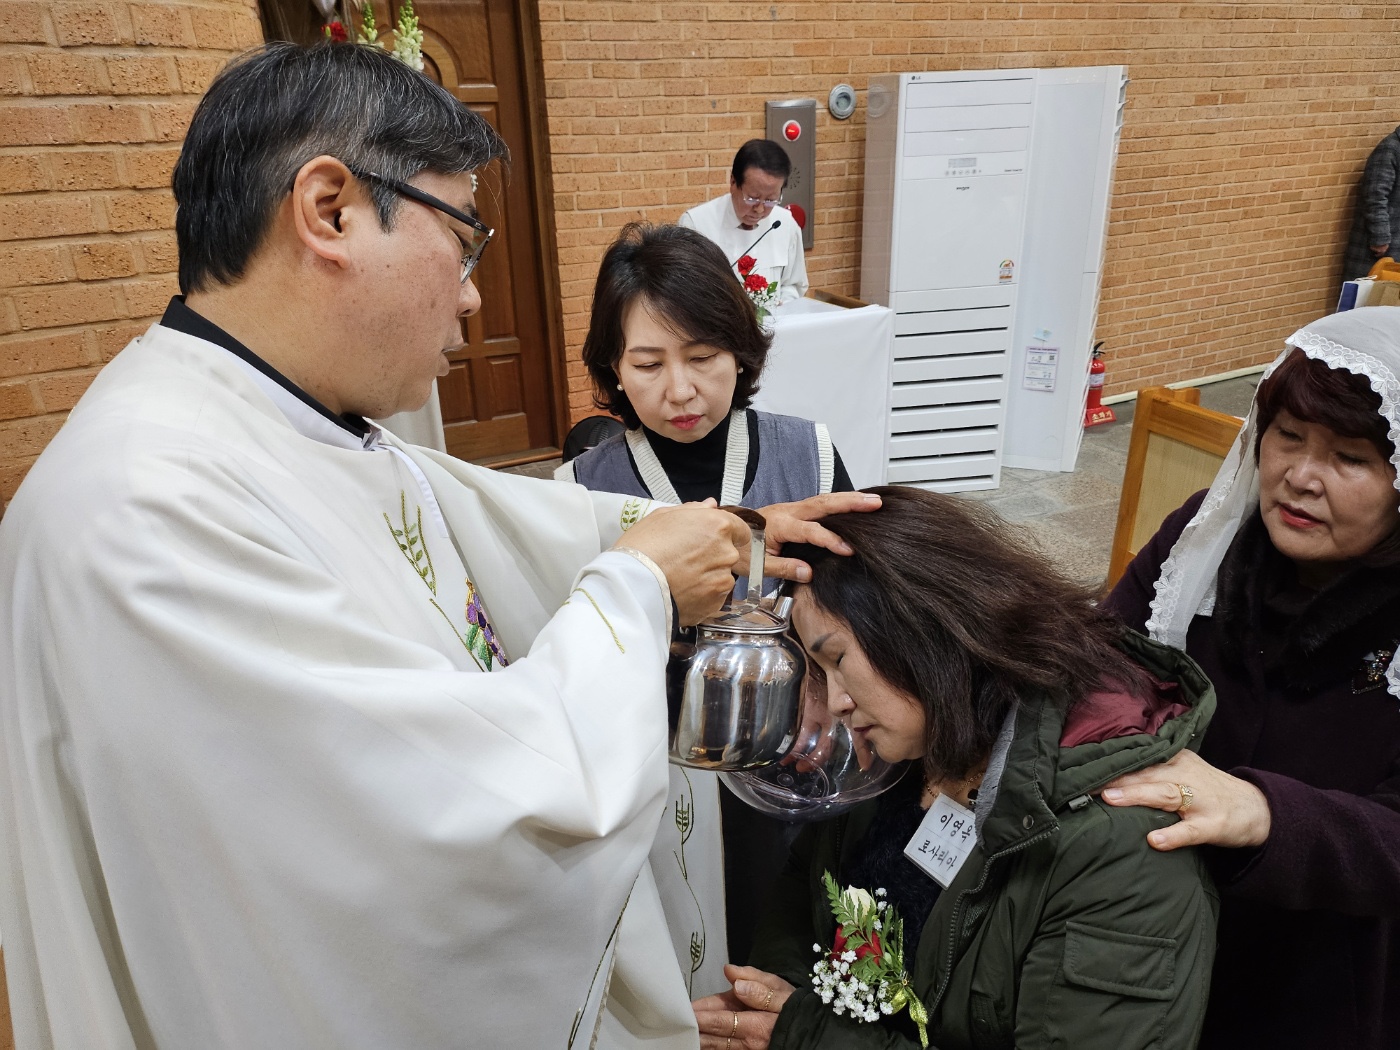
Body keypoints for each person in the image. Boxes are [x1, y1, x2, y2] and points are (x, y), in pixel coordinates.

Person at [0, 43, 876, 1050]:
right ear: (329, 210)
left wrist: (727, 531)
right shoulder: (146, 511)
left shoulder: (293, 426)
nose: (470, 296)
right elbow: (431, 824)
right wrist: (637, 585)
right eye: (461, 239)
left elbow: (485, 514)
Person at [692, 487, 1219, 1050]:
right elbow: (807, 887)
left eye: (838, 658)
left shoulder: (1122, 851)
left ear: (923, 626)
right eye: (820, 671)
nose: (837, 702)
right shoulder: (909, 746)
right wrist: (776, 999)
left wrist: (808, 1036)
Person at [556, 221, 850, 999]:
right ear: (613, 369)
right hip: (655, 767)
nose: (680, 390)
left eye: (703, 357)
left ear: (741, 353)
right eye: (648, 364)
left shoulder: (808, 453)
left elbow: (857, 602)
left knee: (783, 933)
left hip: (787, 754)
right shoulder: (578, 489)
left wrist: (826, 684)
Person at [1100, 306, 1400, 1050]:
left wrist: (1266, 812)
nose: (1300, 477)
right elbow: (1098, 661)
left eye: (1350, 458)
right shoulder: (1205, 539)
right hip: (1152, 934)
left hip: (1329, 982)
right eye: (1287, 436)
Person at [679, 140, 808, 305]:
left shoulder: (784, 224)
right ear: (733, 182)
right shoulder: (696, 224)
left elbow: (794, 285)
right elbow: (685, 293)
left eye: (770, 200)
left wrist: (783, 303)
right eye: (752, 198)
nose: (760, 209)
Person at [1343, 124, 1400, 283]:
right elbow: (1375, 195)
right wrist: (1380, 237)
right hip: (1381, 247)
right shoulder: (1390, 149)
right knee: (1368, 295)